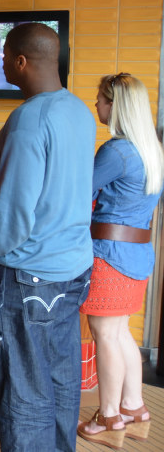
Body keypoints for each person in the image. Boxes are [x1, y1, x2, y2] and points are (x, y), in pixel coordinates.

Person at [0, 21, 95, 452]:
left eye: (5, 58)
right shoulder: (78, 110)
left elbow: (15, 210)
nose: (2, 67)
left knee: (22, 390)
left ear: (20, 61)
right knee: (59, 378)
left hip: (27, 276)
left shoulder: (29, 120)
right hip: (73, 270)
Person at [76, 73, 163, 448]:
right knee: (121, 331)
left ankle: (110, 416)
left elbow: (77, 191)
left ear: (114, 105)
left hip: (109, 255)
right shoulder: (151, 150)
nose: (96, 104)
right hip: (137, 254)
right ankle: (134, 407)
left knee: (106, 335)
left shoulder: (117, 151)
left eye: (100, 99)